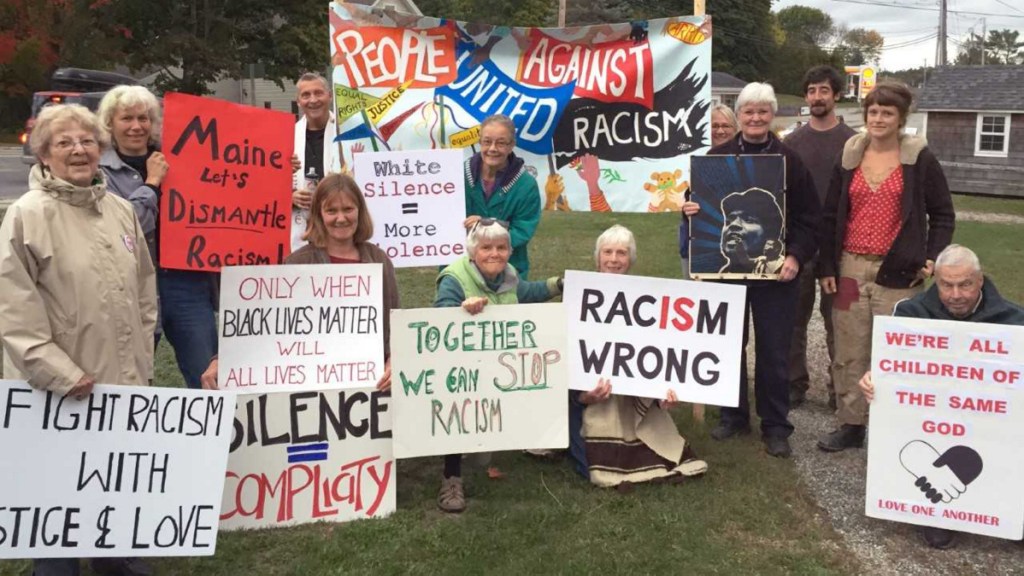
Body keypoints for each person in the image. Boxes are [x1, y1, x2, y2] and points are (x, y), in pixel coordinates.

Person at [0, 104, 158, 576]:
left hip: (120, 383)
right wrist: (62, 375)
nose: (78, 150)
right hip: (55, 391)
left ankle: (117, 562)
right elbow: (14, 314)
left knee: (112, 484)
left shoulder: (121, 209)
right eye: (64, 142)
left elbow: (145, 292)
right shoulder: (27, 217)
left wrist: (142, 359)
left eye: (87, 141)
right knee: (57, 498)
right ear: (44, 154)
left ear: (100, 148)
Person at [682, 82, 821, 458]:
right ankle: (734, 417)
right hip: (725, 274)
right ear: (739, 115)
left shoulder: (790, 160)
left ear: (772, 115)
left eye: (762, 111)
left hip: (778, 275)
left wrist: (795, 256)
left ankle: (776, 426)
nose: (755, 118)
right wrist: (690, 210)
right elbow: (696, 202)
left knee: (774, 351)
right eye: (748, 111)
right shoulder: (717, 156)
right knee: (728, 347)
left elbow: (811, 218)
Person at [817, 81, 955, 453]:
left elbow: (942, 213)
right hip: (849, 268)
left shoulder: (918, 159)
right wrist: (826, 266)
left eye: (887, 113)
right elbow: (831, 215)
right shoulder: (851, 156)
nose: (878, 119)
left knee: (895, 353)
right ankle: (851, 423)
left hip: (898, 273)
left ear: (901, 118)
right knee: (848, 349)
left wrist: (932, 256)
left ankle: (893, 424)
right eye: (873, 112)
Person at [858, 245, 1024, 549]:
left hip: (987, 416)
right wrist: (873, 379)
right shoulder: (910, 313)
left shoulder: (1014, 321)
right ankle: (938, 514)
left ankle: (1009, 506)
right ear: (936, 280)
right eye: (947, 285)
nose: (956, 294)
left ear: (981, 280)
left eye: (965, 285)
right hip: (932, 417)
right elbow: (892, 367)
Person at [199, 173, 398, 391]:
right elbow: (263, 327)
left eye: (348, 209)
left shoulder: (379, 260)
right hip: (310, 389)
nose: (341, 218)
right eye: (331, 211)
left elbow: (394, 324)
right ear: (319, 215)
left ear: (360, 210)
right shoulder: (298, 263)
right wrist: (221, 360)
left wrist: (393, 360)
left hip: (369, 385)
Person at [97, 84, 219, 391]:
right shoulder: (100, 173)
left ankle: (217, 436)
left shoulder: (185, 157)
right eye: (126, 118)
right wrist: (152, 184)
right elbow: (124, 227)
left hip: (186, 281)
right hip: (133, 283)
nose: (136, 126)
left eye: (143, 118)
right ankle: (130, 438)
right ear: (110, 123)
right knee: (129, 377)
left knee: (208, 372)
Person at [434, 219, 562, 512]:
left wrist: (557, 285)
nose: (495, 254)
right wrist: (461, 310)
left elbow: (525, 292)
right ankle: (451, 478)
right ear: (472, 252)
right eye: (486, 247)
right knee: (459, 415)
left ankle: (527, 436)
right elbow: (439, 319)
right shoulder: (453, 278)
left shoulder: (508, 275)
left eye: (501, 247)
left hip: (495, 365)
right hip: (458, 369)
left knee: (484, 451)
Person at [569, 225, 708, 487]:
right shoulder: (578, 296)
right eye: (607, 252)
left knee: (654, 446)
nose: (613, 259)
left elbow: (655, 354)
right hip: (591, 394)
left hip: (631, 394)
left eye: (621, 253)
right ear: (597, 257)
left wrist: (662, 392)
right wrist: (582, 396)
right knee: (586, 463)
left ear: (630, 259)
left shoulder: (647, 300)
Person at [784, 66, 858, 410]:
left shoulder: (854, 142)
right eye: (812, 90)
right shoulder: (792, 142)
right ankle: (794, 383)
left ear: (837, 95)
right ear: (806, 96)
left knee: (839, 323)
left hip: (841, 250)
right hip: (799, 246)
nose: (817, 97)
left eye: (824, 90)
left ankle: (838, 390)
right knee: (793, 321)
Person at [462, 114, 541, 279]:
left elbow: (522, 230)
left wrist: (486, 226)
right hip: (460, 267)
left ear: (512, 145)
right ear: (479, 142)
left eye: (501, 143)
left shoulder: (526, 185)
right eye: (487, 141)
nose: (492, 148)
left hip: (507, 270)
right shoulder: (456, 176)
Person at [680, 104, 739, 277]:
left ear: (735, 129)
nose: (720, 131)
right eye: (715, 125)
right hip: (698, 239)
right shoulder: (691, 158)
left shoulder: (746, 160)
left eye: (726, 126)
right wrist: (686, 209)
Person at [291, 72, 338, 252]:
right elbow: (268, 183)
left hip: (339, 224)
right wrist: (289, 197)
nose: (313, 100)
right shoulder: (287, 136)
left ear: (329, 95)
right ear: (298, 101)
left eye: (318, 93)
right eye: (306, 95)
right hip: (301, 229)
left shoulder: (346, 133)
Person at [718, 188, 786, 275]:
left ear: (770, 234)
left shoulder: (777, 268)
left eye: (748, 220)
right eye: (728, 221)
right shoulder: (710, 280)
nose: (733, 224)